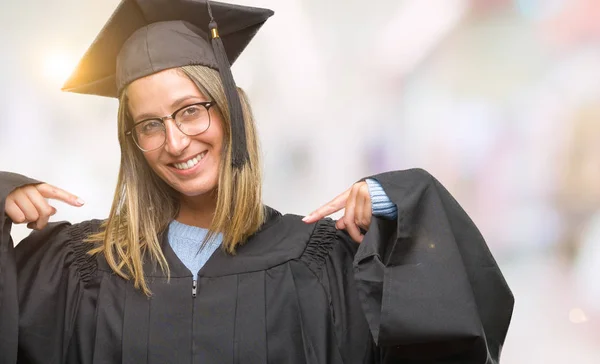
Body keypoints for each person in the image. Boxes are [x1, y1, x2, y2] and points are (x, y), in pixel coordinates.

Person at [0, 0, 514, 363]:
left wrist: (398, 205)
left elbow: (450, 337)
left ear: (231, 113)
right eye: (150, 125)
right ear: (133, 141)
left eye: (192, 111)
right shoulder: (82, 268)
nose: (176, 142)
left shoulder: (321, 261)